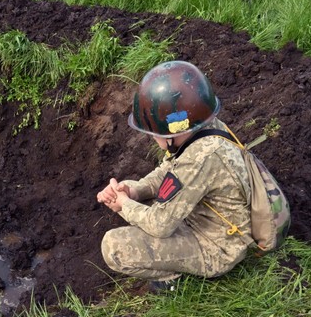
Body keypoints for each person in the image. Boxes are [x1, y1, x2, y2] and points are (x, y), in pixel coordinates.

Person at [95, 60, 255, 286]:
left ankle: (171, 279)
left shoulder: (200, 159)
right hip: (203, 216)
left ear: (173, 131)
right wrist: (133, 191)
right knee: (132, 186)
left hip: (217, 246)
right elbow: (168, 171)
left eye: (153, 132)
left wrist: (125, 205)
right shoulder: (202, 129)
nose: (150, 136)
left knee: (114, 247)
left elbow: (160, 225)